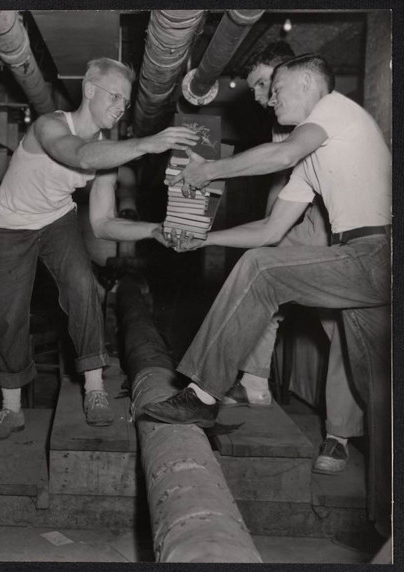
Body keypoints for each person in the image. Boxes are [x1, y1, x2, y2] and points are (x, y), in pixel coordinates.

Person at [146, 55, 391, 537]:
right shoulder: (310, 161)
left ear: (308, 83)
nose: (271, 99)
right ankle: (388, 525)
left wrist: (208, 171)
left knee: (262, 270)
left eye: (277, 88)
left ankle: (202, 393)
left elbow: (278, 158)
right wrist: (203, 239)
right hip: (360, 262)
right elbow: (269, 231)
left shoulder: (334, 109)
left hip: (377, 252)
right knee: (381, 394)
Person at [0, 57, 200, 440]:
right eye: (114, 96)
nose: (120, 107)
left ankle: (95, 388)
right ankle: (11, 408)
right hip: (10, 226)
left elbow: (102, 223)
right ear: (88, 90)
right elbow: (80, 155)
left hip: (55, 218)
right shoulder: (50, 125)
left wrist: (155, 230)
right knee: (8, 315)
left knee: (83, 284)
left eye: (125, 102)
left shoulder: (108, 155)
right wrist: (148, 144)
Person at [216, 42, 362, 476]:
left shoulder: (326, 114)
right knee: (261, 277)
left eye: (266, 85)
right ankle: (254, 382)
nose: (263, 97)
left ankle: (340, 434)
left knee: (342, 324)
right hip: (302, 217)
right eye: (258, 89)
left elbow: (290, 166)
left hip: (335, 224)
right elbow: (282, 184)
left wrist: (210, 171)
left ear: (292, 77)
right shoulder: (283, 119)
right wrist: (268, 232)